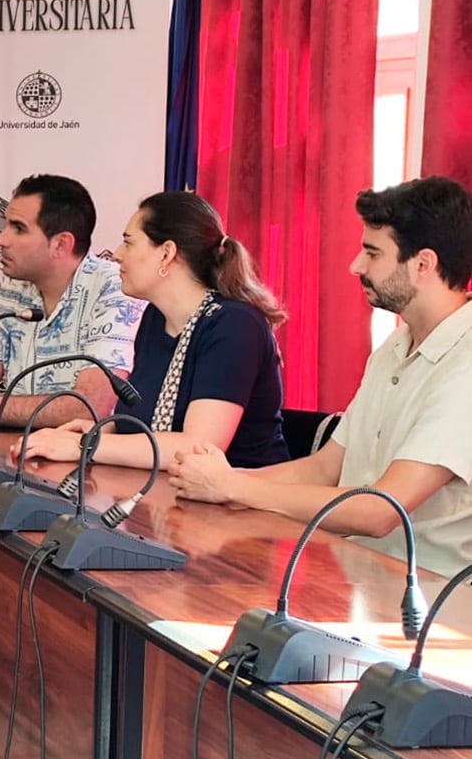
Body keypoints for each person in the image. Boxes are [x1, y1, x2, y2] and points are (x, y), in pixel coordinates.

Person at [171, 176, 472, 576]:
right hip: (356, 573)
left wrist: (231, 487)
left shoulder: (464, 363)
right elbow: (323, 469)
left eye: (372, 253)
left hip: (429, 602)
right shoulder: (395, 347)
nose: (355, 266)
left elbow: (383, 510)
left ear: (423, 265)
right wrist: (217, 484)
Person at [19, 192, 288, 470]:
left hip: (243, 505)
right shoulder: (153, 318)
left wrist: (84, 445)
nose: (118, 255)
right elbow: (149, 423)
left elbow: (198, 448)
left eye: (128, 242)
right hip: (170, 494)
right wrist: (103, 430)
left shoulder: (235, 325)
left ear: (167, 253)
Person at [0, 173, 144, 429]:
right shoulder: (13, 289)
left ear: (60, 244)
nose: (1, 239)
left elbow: (89, 408)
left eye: (18, 228)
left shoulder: (114, 288)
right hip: (14, 455)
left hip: (85, 463)